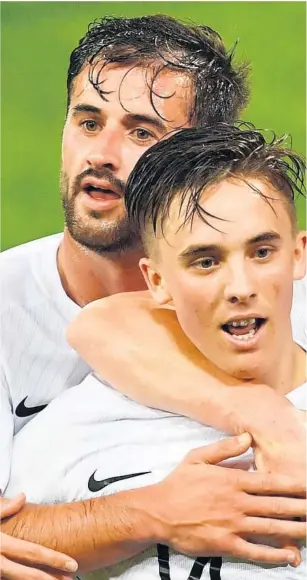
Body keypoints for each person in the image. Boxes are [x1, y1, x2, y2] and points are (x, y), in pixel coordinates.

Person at [0, 13, 305, 580]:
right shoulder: (6, 312)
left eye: (142, 132)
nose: (103, 154)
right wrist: (153, 512)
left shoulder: (284, 292)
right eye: (88, 122)